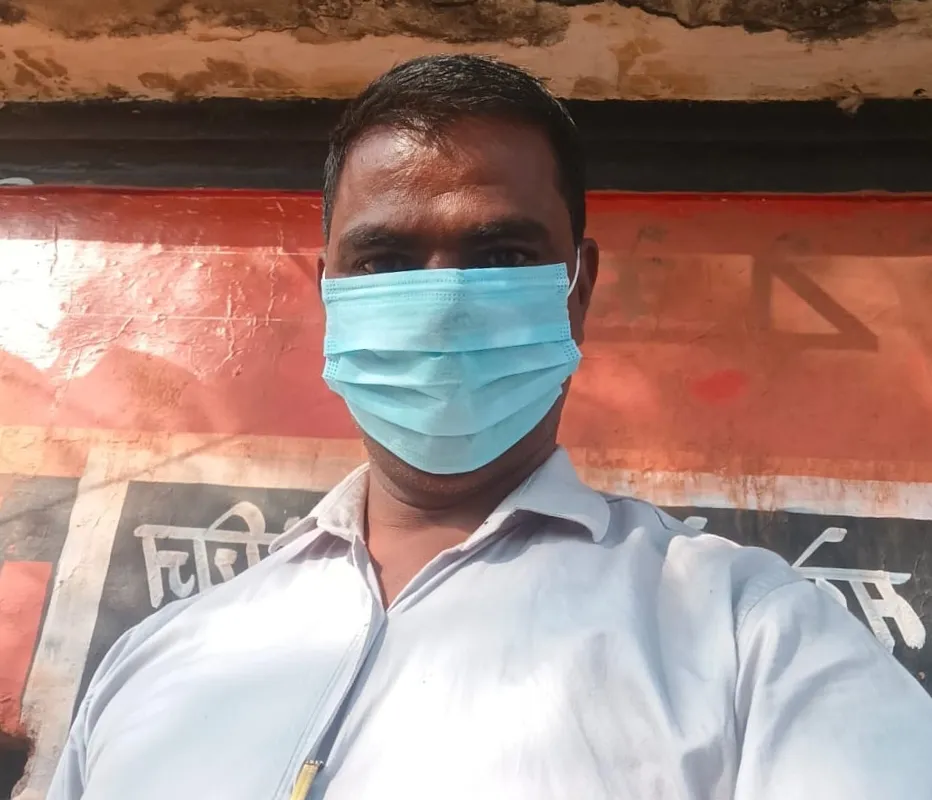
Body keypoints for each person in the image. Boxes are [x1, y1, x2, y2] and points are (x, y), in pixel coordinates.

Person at [50, 55, 932, 800]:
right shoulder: (155, 661)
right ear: (331, 294)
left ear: (577, 291)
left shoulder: (751, 640)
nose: (441, 306)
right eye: (386, 260)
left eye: (502, 256)